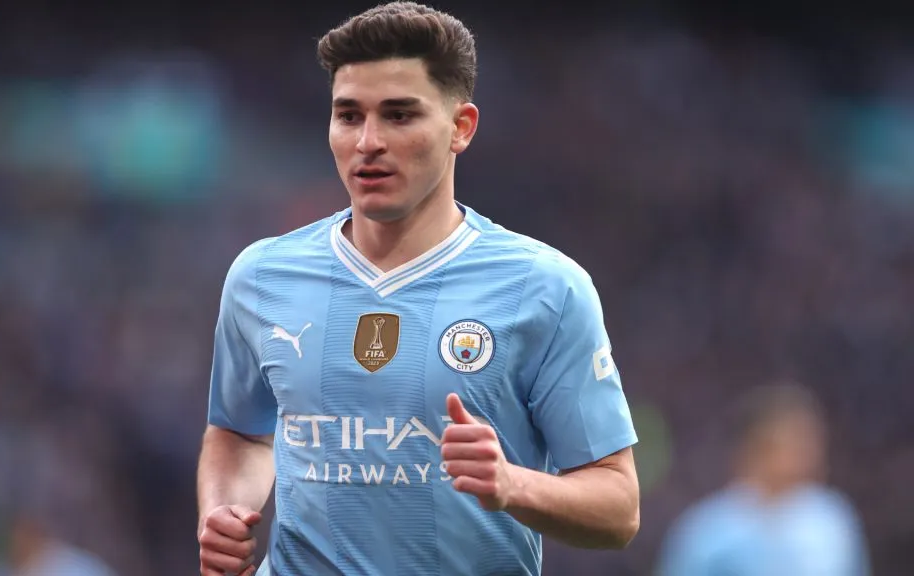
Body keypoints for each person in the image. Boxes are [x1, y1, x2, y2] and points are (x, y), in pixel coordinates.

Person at [196, 2, 640, 575]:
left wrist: (514, 484)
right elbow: (239, 433)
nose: (368, 141)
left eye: (399, 115)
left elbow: (618, 508)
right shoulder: (261, 276)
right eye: (348, 116)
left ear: (461, 128)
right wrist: (226, 510)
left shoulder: (545, 288)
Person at [656, 382, 871, 576]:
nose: (807, 456)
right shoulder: (708, 532)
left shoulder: (833, 521)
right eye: (791, 445)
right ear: (755, 448)